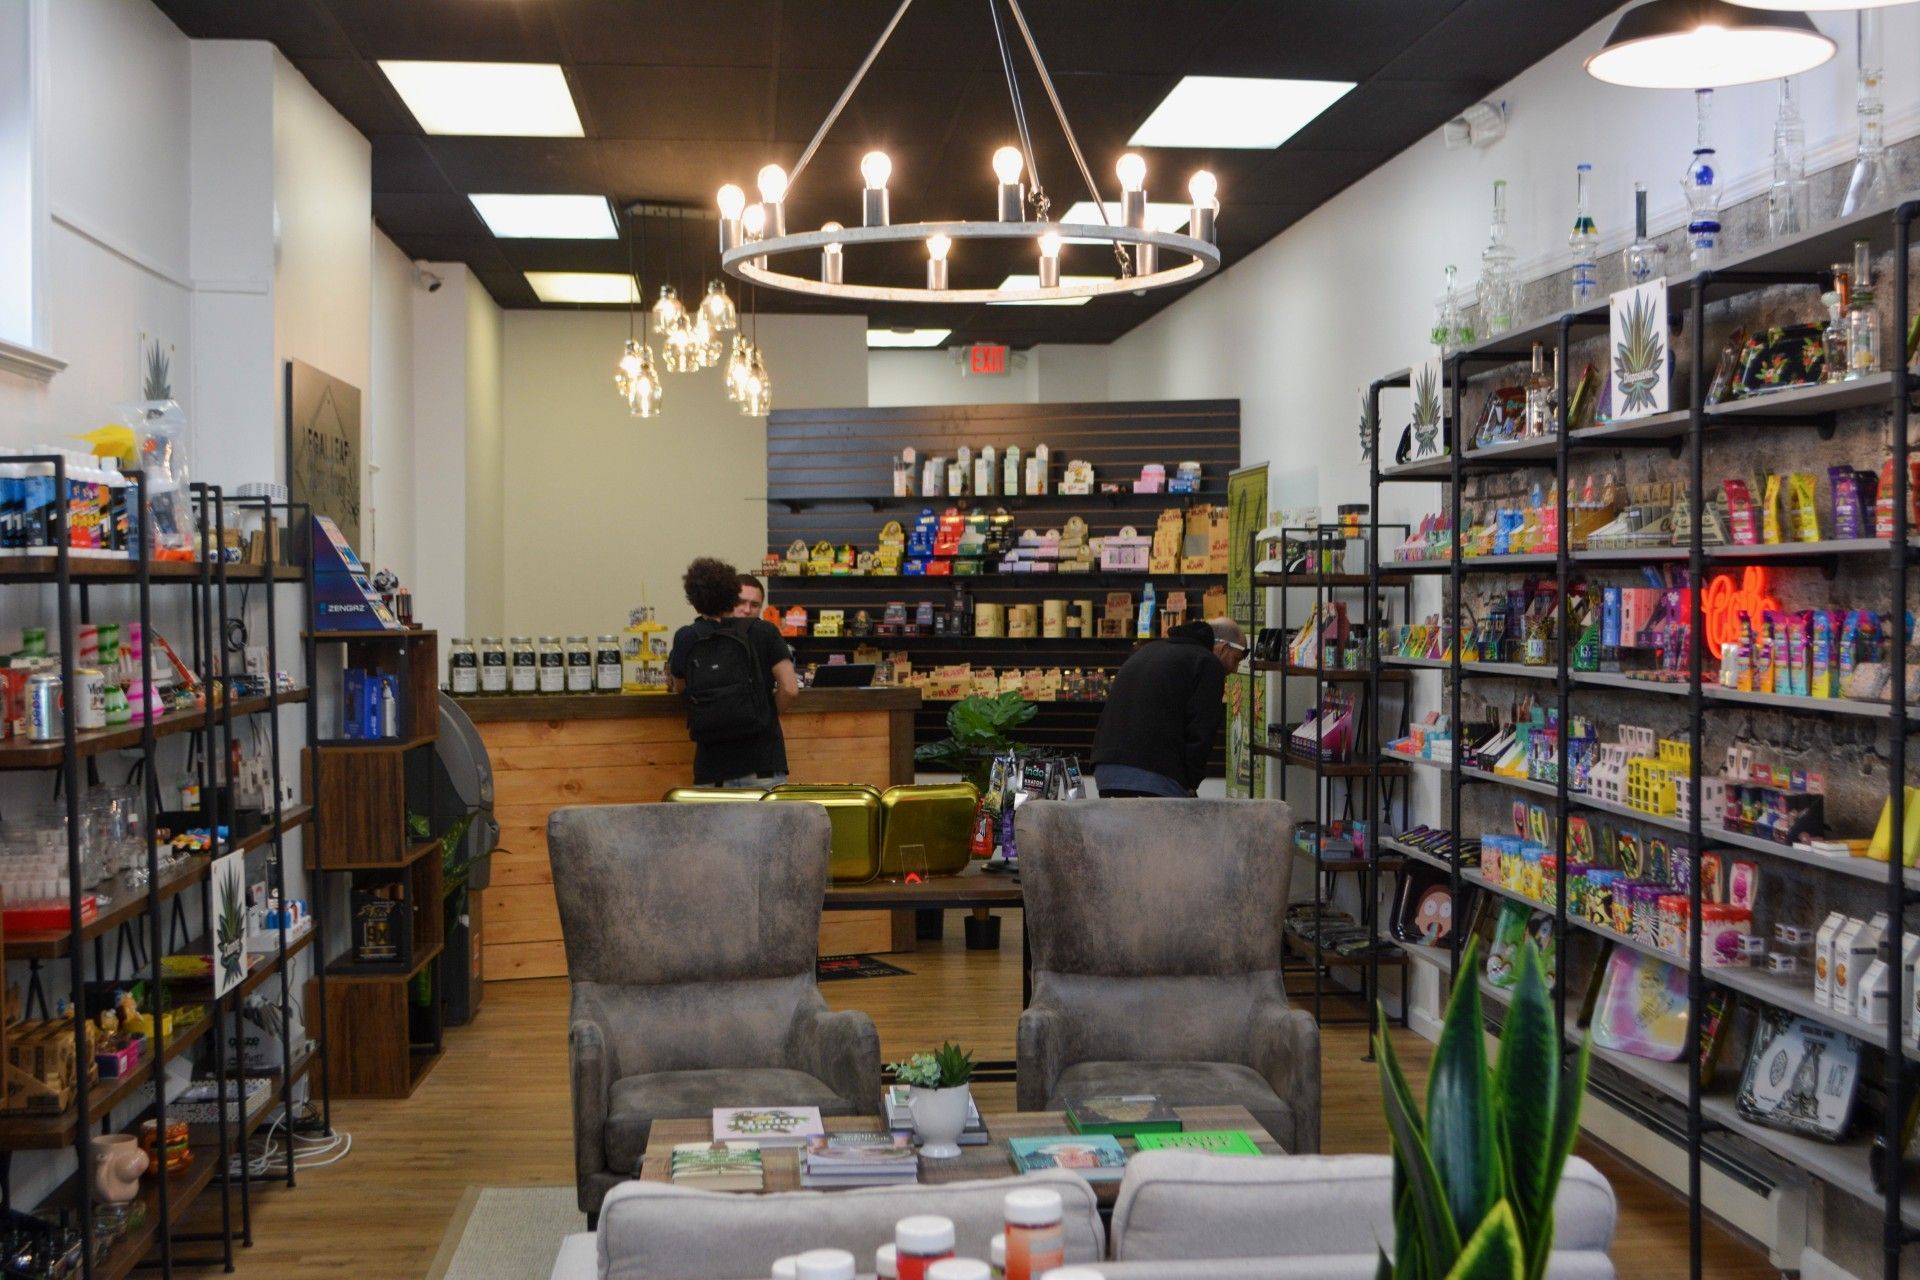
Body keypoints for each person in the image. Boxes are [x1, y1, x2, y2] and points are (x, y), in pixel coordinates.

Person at [667, 557, 799, 788]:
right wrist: (764, 715)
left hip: (712, 769)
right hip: (764, 763)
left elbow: (681, 687)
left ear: (694, 600)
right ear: (732, 595)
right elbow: (789, 688)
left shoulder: (686, 637)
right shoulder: (764, 631)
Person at [1090, 617, 1247, 797]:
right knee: (1174, 824)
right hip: (1152, 774)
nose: (1235, 669)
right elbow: (1202, 732)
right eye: (1236, 659)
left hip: (1106, 768)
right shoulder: (1207, 663)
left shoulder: (1149, 650)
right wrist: (1191, 784)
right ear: (1222, 649)